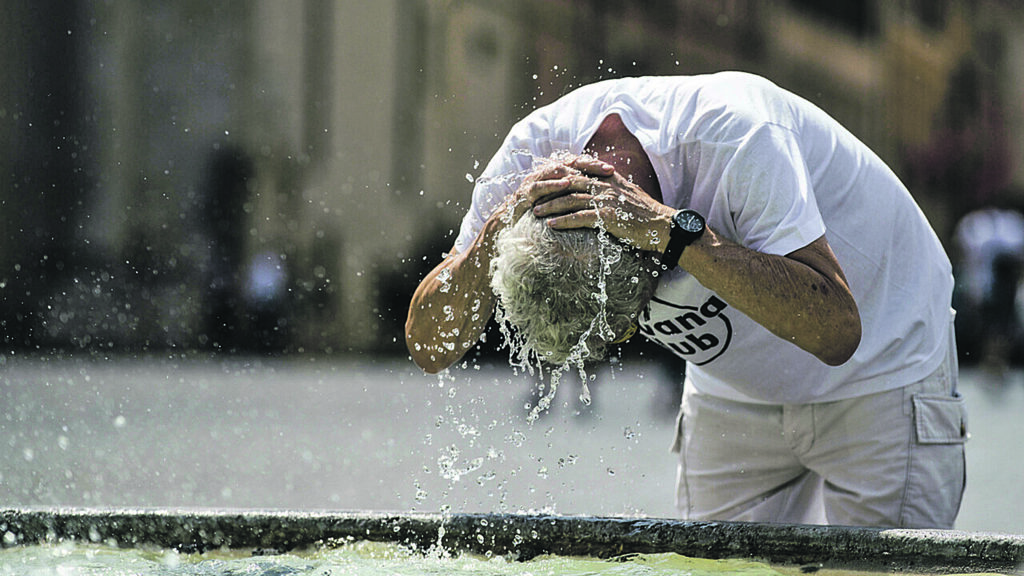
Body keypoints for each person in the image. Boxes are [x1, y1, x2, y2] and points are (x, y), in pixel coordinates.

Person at [406, 72, 966, 529]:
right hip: (733, 386)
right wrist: (492, 234)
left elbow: (838, 331)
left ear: (648, 266)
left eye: (624, 330)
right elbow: (429, 347)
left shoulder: (736, 136)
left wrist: (677, 233)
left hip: (885, 361)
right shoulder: (527, 162)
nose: (629, 341)